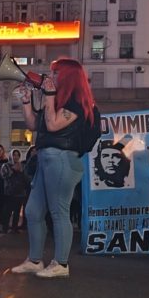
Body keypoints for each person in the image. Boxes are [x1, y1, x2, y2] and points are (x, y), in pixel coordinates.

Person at [11, 59, 97, 278]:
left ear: (68, 76)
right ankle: (35, 260)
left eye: (56, 73)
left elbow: (53, 124)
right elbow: (34, 125)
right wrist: (26, 101)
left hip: (62, 160)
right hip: (46, 159)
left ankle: (61, 263)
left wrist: (49, 96)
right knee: (32, 210)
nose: (51, 77)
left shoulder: (77, 103)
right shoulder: (59, 100)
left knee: (59, 211)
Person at [3, 149, 29, 232]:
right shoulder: (6, 165)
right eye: (14, 155)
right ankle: (5, 227)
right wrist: (13, 170)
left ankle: (14, 227)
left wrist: (21, 171)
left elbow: (26, 179)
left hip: (20, 193)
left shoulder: (22, 166)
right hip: (10, 192)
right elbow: (4, 175)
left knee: (17, 212)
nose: (16, 157)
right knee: (8, 211)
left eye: (18, 155)